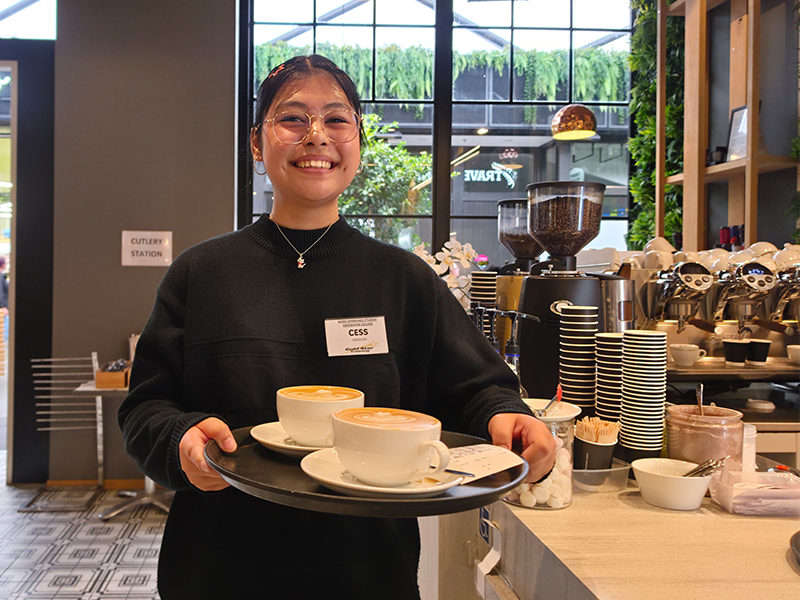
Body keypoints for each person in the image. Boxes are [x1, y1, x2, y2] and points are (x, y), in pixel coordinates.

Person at [119, 54, 555, 600]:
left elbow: (476, 390)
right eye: (292, 118)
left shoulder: (403, 278)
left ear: (358, 145)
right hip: (219, 568)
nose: (316, 135)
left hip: (368, 572)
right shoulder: (202, 273)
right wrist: (179, 439)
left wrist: (508, 418)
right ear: (256, 144)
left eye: (336, 119)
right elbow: (145, 408)